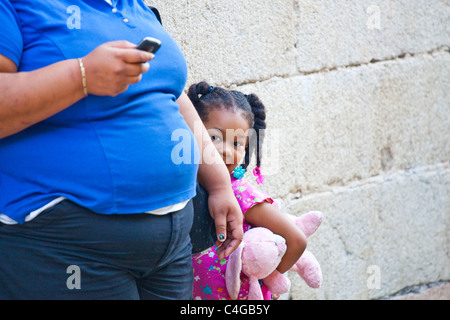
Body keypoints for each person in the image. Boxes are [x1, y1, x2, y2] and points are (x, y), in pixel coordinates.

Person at [0, 1, 242, 300]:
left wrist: (220, 185)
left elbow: (169, 93)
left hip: (172, 244)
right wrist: (81, 75)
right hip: (66, 243)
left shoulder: (133, 5)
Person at [188, 82, 307, 300]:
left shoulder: (241, 194)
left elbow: (297, 240)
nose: (225, 151)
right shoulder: (186, 188)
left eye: (236, 143)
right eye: (214, 137)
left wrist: (269, 278)